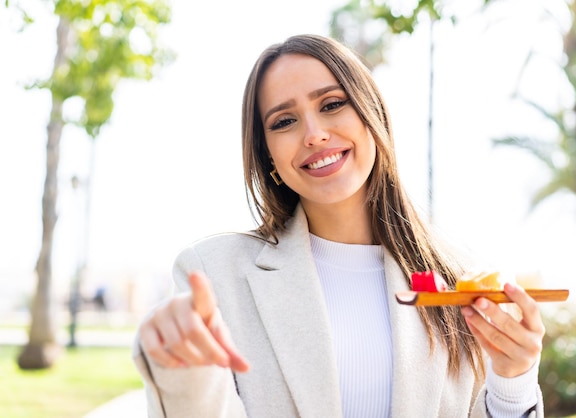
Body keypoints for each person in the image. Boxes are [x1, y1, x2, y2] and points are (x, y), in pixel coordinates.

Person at [133, 34, 545, 418]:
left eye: (331, 104)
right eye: (283, 122)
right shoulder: (215, 272)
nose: (313, 134)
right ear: (268, 156)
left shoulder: (458, 277)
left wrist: (513, 384)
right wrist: (181, 366)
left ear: (372, 115)